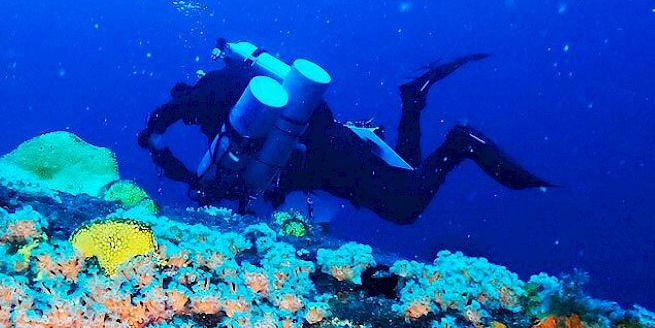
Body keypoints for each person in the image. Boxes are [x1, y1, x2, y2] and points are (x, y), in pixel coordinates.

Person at [136, 41, 552, 224]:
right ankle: (413, 99)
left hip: (328, 157)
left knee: (403, 207)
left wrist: (155, 144)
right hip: (337, 138)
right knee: (405, 172)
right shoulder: (243, 80)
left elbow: (207, 178)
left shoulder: (215, 99)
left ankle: (459, 143)